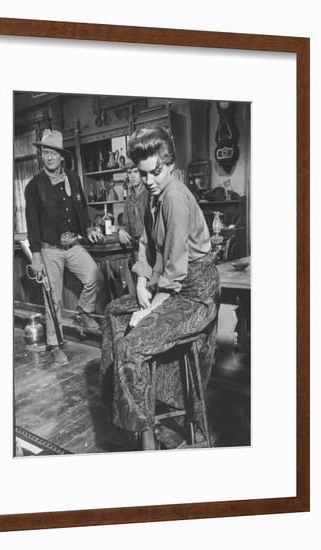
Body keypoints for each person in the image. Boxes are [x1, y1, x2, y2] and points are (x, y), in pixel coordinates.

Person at [101, 126, 220, 450]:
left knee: (131, 345)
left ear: (170, 165)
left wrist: (149, 311)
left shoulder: (175, 198)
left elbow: (176, 271)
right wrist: (140, 281)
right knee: (114, 312)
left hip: (195, 293)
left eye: (156, 172)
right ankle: (126, 407)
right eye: (144, 173)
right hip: (171, 285)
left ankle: (146, 437)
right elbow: (146, 244)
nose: (150, 180)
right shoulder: (152, 197)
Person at [25, 129, 103, 366]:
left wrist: (88, 228)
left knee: (94, 276)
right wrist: (36, 256)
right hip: (49, 249)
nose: (48, 157)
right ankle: (55, 344)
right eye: (45, 153)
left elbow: (81, 206)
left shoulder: (73, 178)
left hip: (73, 244)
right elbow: (32, 224)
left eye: (52, 153)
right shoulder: (34, 186)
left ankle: (83, 313)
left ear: (61, 156)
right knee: (53, 299)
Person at [117, 162, 149, 262]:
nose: (133, 176)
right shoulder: (128, 200)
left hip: (151, 249)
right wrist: (121, 231)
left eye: (136, 172)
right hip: (136, 250)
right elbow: (125, 224)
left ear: (142, 173)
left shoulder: (149, 194)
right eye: (129, 172)